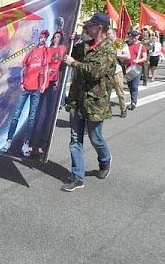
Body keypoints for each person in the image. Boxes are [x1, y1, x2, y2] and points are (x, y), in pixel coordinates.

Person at [61, 13, 116, 192]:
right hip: (78, 99)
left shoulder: (109, 49)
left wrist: (74, 64)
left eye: (90, 26)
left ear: (100, 28)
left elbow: (94, 72)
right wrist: (69, 39)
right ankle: (77, 176)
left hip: (95, 103)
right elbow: (69, 51)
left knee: (95, 138)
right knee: (75, 139)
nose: (87, 29)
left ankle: (105, 159)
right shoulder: (85, 45)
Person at [0, 30, 49, 157]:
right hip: (26, 87)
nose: (42, 38)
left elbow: (46, 68)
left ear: (47, 38)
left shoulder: (46, 51)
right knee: (16, 114)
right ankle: (9, 141)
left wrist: (43, 84)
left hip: (36, 89)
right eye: (41, 36)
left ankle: (26, 144)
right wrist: (22, 82)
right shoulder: (32, 51)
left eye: (44, 37)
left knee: (32, 118)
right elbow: (24, 68)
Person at [107, 29, 130, 118]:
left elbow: (127, 56)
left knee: (119, 92)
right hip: (106, 71)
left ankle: (123, 109)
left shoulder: (120, 43)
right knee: (106, 92)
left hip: (117, 70)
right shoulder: (106, 43)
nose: (107, 35)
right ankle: (107, 110)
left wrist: (115, 54)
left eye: (109, 33)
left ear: (114, 34)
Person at [125, 30, 147, 111]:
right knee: (130, 86)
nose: (133, 38)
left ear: (138, 36)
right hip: (128, 68)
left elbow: (144, 57)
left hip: (137, 68)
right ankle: (132, 100)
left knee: (134, 86)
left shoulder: (142, 46)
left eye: (135, 36)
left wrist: (138, 61)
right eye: (132, 36)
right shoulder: (127, 45)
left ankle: (133, 103)